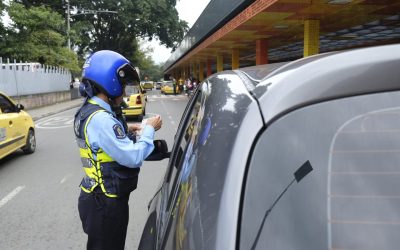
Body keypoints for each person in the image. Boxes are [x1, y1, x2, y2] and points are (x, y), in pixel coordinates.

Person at [73, 50, 162, 250]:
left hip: (95, 197)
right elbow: (133, 156)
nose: (123, 91)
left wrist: (128, 128)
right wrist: (149, 129)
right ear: (110, 82)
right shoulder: (102, 119)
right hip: (105, 203)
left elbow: (99, 140)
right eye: (122, 85)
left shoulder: (89, 110)